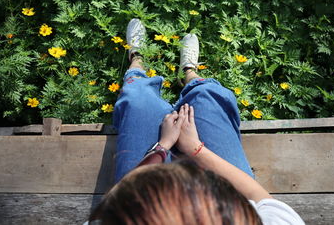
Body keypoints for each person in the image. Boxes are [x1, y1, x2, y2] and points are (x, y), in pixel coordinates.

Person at [84, 19, 305, 224]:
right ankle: (189, 73)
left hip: (146, 204)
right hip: (228, 197)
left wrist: (162, 147)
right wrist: (195, 149)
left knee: (138, 101)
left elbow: (115, 202)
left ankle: (137, 59)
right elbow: (262, 198)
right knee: (209, 95)